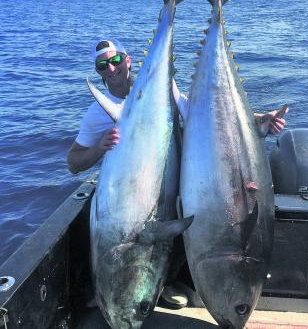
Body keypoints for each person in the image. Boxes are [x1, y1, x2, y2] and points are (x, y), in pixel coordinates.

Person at [67, 38, 288, 308]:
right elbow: (73, 162)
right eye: (103, 65)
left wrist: (259, 120)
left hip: (176, 188)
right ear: (98, 71)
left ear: (128, 61)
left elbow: (203, 113)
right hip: (133, 196)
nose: (111, 69)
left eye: (115, 61)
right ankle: (160, 283)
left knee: (178, 228)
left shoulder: (164, 92)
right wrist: (99, 148)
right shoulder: (96, 113)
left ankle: (166, 281)